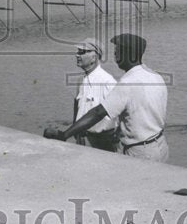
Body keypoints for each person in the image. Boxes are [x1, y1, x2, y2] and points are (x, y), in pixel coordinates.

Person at [44, 33, 168, 162]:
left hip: (140, 151)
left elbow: (98, 112)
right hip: (159, 144)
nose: (115, 55)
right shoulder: (155, 76)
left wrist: (65, 134)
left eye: (118, 51)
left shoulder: (126, 83)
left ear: (129, 54)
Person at [71, 39, 119, 152]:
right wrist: (75, 130)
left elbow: (120, 113)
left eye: (82, 52)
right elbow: (76, 105)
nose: (77, 55)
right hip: (83, 139)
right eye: (78, 51)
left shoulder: (107, 81)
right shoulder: (81, 80)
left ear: (94, 57)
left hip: (102, 141)